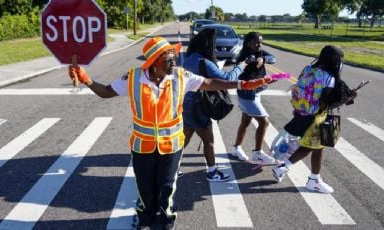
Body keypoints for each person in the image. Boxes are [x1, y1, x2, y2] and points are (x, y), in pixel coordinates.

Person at [68, 37, 272, 230]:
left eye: (174, 57)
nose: (174, 62)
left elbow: (210, 83)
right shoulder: (133, 78)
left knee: (167, 185)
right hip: (143, 145)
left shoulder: (180, 77)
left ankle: (165, 218)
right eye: (168, 59)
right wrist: (86, 79)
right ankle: (144, 216)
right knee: (144, 185)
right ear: (154, 62)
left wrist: (242, 84)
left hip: (172, 145)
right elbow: (105, 92)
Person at [272, 45, 358, 194]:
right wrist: (348, 98)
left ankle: (314, 178)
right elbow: (326, 104)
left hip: (301, 112)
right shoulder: (329, 78)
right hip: (316, 117)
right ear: (336, 61)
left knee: (318, 146)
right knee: (311, 146)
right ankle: (285, 168)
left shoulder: (308, 70)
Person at [182, 28, 249, 182]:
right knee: (209, 142)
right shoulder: (204, 62)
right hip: (199, 106)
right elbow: (227, 78)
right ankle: (212, 173)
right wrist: (241, 66)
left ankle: (172, 167)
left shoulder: (189, 58)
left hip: (186, 104)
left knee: (184, 140)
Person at [230, 31, 277, 163]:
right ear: (248, 43)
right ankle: (257, 153)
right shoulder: (244, 57)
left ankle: (236, 148)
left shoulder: (261, 53)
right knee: (264, 122)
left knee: (245, 122)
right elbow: (243, 67)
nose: (259, 44)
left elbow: (273, 58)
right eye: (256, 42)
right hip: (247, 94)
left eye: (261, 42)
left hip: (255, 93)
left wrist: (264, 59)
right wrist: (251, 61)